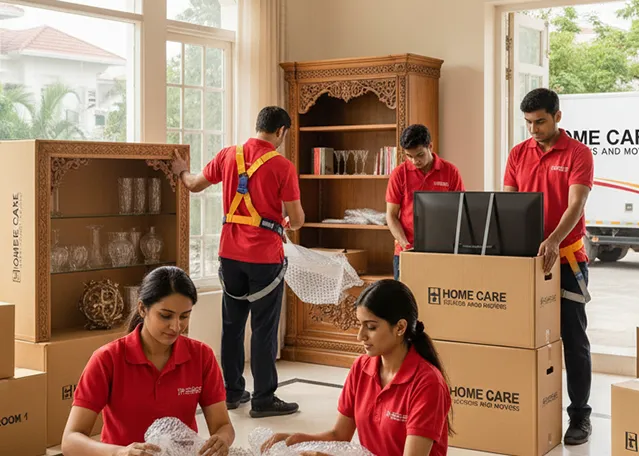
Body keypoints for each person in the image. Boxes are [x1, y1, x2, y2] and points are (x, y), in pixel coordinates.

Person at [172, 106, 306, 418]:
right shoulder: (282, 166)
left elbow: (192, 184)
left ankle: (231, 392)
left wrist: (181, 169)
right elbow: (297, 219)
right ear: (281, 132)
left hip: (229, 254)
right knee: (263, 329)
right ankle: (263, 399)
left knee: (232, 326)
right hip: (265, 259)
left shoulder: (228, 155)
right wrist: (282, 225)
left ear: (257, 125)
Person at [260, 279, 453, 456]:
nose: (360, 336)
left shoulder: (428, 383)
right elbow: (339, 435)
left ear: (400, 327)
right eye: (360, 325)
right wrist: (295, 439)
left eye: (371, 327)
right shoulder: (361, 367)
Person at [62, 266, 234, 456]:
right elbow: (70, 441)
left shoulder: (202, 356)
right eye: (165, 316)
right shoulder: (107, 359)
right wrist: (120, 453)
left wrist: (222, 440)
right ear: (142, 309)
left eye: (184, 316)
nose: (176, 326)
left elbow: (223, 425)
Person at [503, 88, 594, 445]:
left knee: (573, 341)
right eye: (528, 123)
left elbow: (577, 204)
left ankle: (581, 417)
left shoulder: (577, 154)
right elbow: (507, 204)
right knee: (524, 340)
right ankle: (531, 409)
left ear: (558, 116)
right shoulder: (517, 154)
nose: (534, 130)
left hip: (567, 260)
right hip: (527, 263)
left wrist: (554, 240)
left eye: (540, 121)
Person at [386, 124, 465, 280]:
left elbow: (459, 212)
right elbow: (391, 215)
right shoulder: (399, 174)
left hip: (442, 252)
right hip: (406, 252)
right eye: (409, 156)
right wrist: (405, 245)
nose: (415, 161)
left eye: (420, 155)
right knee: (405, 302)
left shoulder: (450, 172)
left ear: (430, 146)